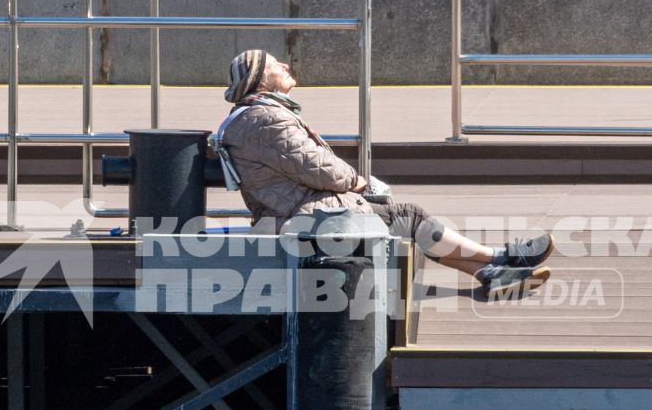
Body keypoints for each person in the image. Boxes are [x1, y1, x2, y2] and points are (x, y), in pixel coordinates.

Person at [213, 49, 553, 298]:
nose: (285, 65)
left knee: (405, 218)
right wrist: (358, 182)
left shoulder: (254, 119)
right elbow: (316, 166)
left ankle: (491, 272)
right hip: (307, 218)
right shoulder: (263, 120)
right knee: (410, 216)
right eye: (275, 64)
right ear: (258, 78)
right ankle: (499, 257)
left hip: (302, 211)